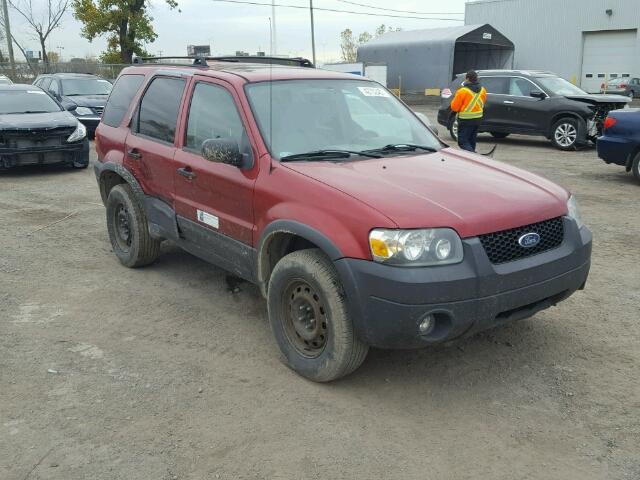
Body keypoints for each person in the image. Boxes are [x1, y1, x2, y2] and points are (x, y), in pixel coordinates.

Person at [450, 70, 487, 152]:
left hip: (466, 120)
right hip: (478, 119)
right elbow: (483, 103)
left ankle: (473, 155)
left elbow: (454, 108)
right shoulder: (483, 90)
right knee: (471, 141)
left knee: (462, 142)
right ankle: (472, 159)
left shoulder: (462, 91)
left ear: (467, 79)